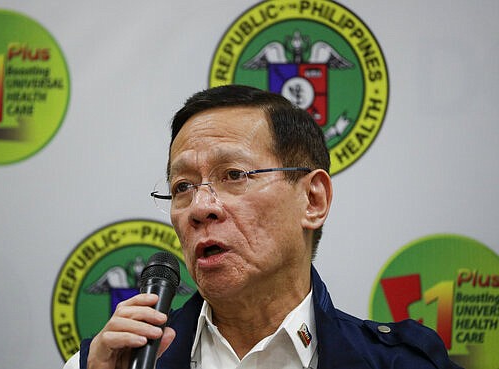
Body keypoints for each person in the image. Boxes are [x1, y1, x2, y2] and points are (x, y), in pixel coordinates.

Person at [64, 85, 462, 369]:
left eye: (234, 175)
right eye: (182, 186)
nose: (200, 207)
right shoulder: (109, 363)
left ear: (313, 200)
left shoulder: (400, 361)